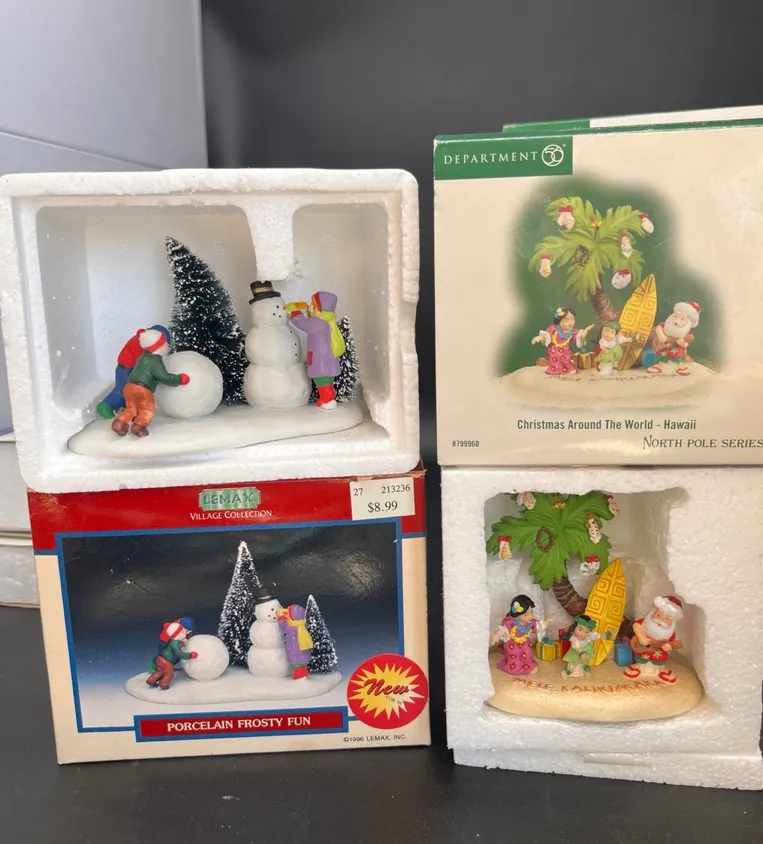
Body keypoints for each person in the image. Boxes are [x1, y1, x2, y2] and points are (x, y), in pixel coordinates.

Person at [111, 328, 189, 437]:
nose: (167, 345)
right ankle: (139, 426)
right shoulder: (156, 360)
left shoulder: (142, 357)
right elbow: (164, 377)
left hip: (129, 387)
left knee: (131, 408)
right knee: (147, 410)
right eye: (164, 343)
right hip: (143, 389)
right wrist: (179, 379)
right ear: (157, 346)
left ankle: (120, 423)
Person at [286, 292, 345, 408]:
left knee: (321, 381)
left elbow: (303, 323)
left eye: (313, 304)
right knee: (326, 381)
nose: (309, 306)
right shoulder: (326, 321)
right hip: (326, 360)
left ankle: (327, 399)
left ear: (320, 308)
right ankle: (326, 398)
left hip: (321, 360)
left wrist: (294, 311)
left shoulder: (319, 323)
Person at [96, 325, 170, 418]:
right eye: (164, 342)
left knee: (130, 391)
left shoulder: (143, 340)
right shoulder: (142, 345)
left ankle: (125, 408)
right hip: (125, 369)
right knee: (123, 390)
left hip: (128, 368)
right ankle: (105, 406)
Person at [624, 595, 684, 684]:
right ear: (654, 612)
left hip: (659, 649)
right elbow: (636, 625)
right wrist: (641, 637)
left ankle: (661, 668)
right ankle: (639, 664)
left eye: (666, 618)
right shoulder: (645, 622)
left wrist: (669, 645)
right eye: (658, 615)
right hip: (644, 646)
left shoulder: (669, 632)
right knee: (641, 655)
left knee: (660, 658)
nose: (661, 620)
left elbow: (674, 642)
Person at [531, 306, 594, 376]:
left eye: (572, 319)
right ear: (558, 322)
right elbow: (546, 336)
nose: (570, 322)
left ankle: (568, 368)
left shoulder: (572, 332)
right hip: (554, 354)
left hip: (566, 355)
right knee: (555, 365)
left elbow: (580, 338)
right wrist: (541, 337)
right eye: (566, 321)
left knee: (570, 368)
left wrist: (585, 332)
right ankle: (555, 369)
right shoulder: (553, 329)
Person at [643, 301, 700, 376]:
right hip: (664, 347)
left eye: (682, 317)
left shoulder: (686, 331)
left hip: (677, 350)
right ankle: (660, 364)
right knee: (662, 356)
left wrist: (682, 343)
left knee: (679, 357)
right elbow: (659, 327)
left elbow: (686, 343)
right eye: (678, 313)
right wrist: (661, 335)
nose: (678, 316)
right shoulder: (667, 324)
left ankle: (680, 366)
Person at [489, 594, 542, 675]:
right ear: (517, 615)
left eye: (531, 612)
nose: (530, 616)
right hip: (512, 643)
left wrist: (544, 624)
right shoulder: (510, 622)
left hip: (525, 642)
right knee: (514, 653)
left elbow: (539, 628)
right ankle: (513, 667)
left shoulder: (531, 622)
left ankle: (528, 666)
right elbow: (504, 630)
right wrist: (497, 634)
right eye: (526, 615)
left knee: (527, 652)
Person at [146, 617, 198, 690]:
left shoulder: (175, 638)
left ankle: (151, 680)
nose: (186, 633)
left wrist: (182, 642)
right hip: (166, 660)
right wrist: (190, 655)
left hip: (162, 658)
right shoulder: (174, 639)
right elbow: (179, 654)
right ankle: (163, 684)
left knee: (162, 670)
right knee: (169, 673)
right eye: (184, 632)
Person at [277, 604, 314, 679]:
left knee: (296, 667)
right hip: (303, 653)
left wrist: (281, 616)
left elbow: (282, 626)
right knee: (303, 666)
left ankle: (298, 678)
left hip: (295, 654)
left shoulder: (291, 628)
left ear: (291, 617)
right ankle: (304, 675)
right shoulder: (303, 624)